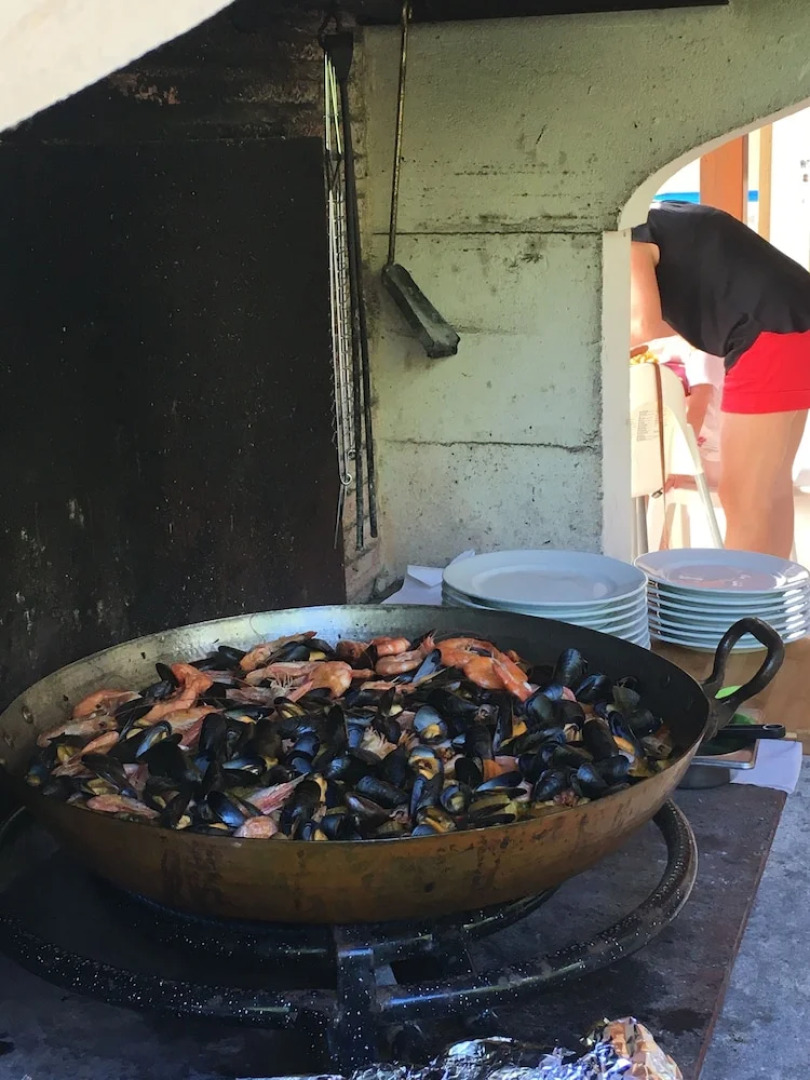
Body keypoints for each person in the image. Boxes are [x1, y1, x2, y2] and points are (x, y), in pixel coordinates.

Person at [630, 199, 810, 559]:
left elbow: (642, 324)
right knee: (770, 489)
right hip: (792, 319)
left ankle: (743, 593)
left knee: (742, 495)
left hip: (767, 331)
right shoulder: (661, 216)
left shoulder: (629, 234)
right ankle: (770, 592)